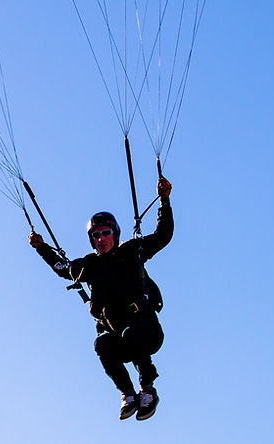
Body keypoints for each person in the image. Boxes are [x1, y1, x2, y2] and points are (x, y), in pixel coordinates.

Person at [30, 176, 173, 420]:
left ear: (115, 233)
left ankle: (147, 389)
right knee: (102, 343)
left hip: (146, 331)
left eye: (105, 233)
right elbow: (62, 268)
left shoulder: (132, 251)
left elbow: (163, 235)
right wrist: (41, 247)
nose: (101, 239)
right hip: (119, 337)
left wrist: (164, 201)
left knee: (131, 332)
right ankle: (127, 393)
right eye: (95, 235)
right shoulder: (89, 266)